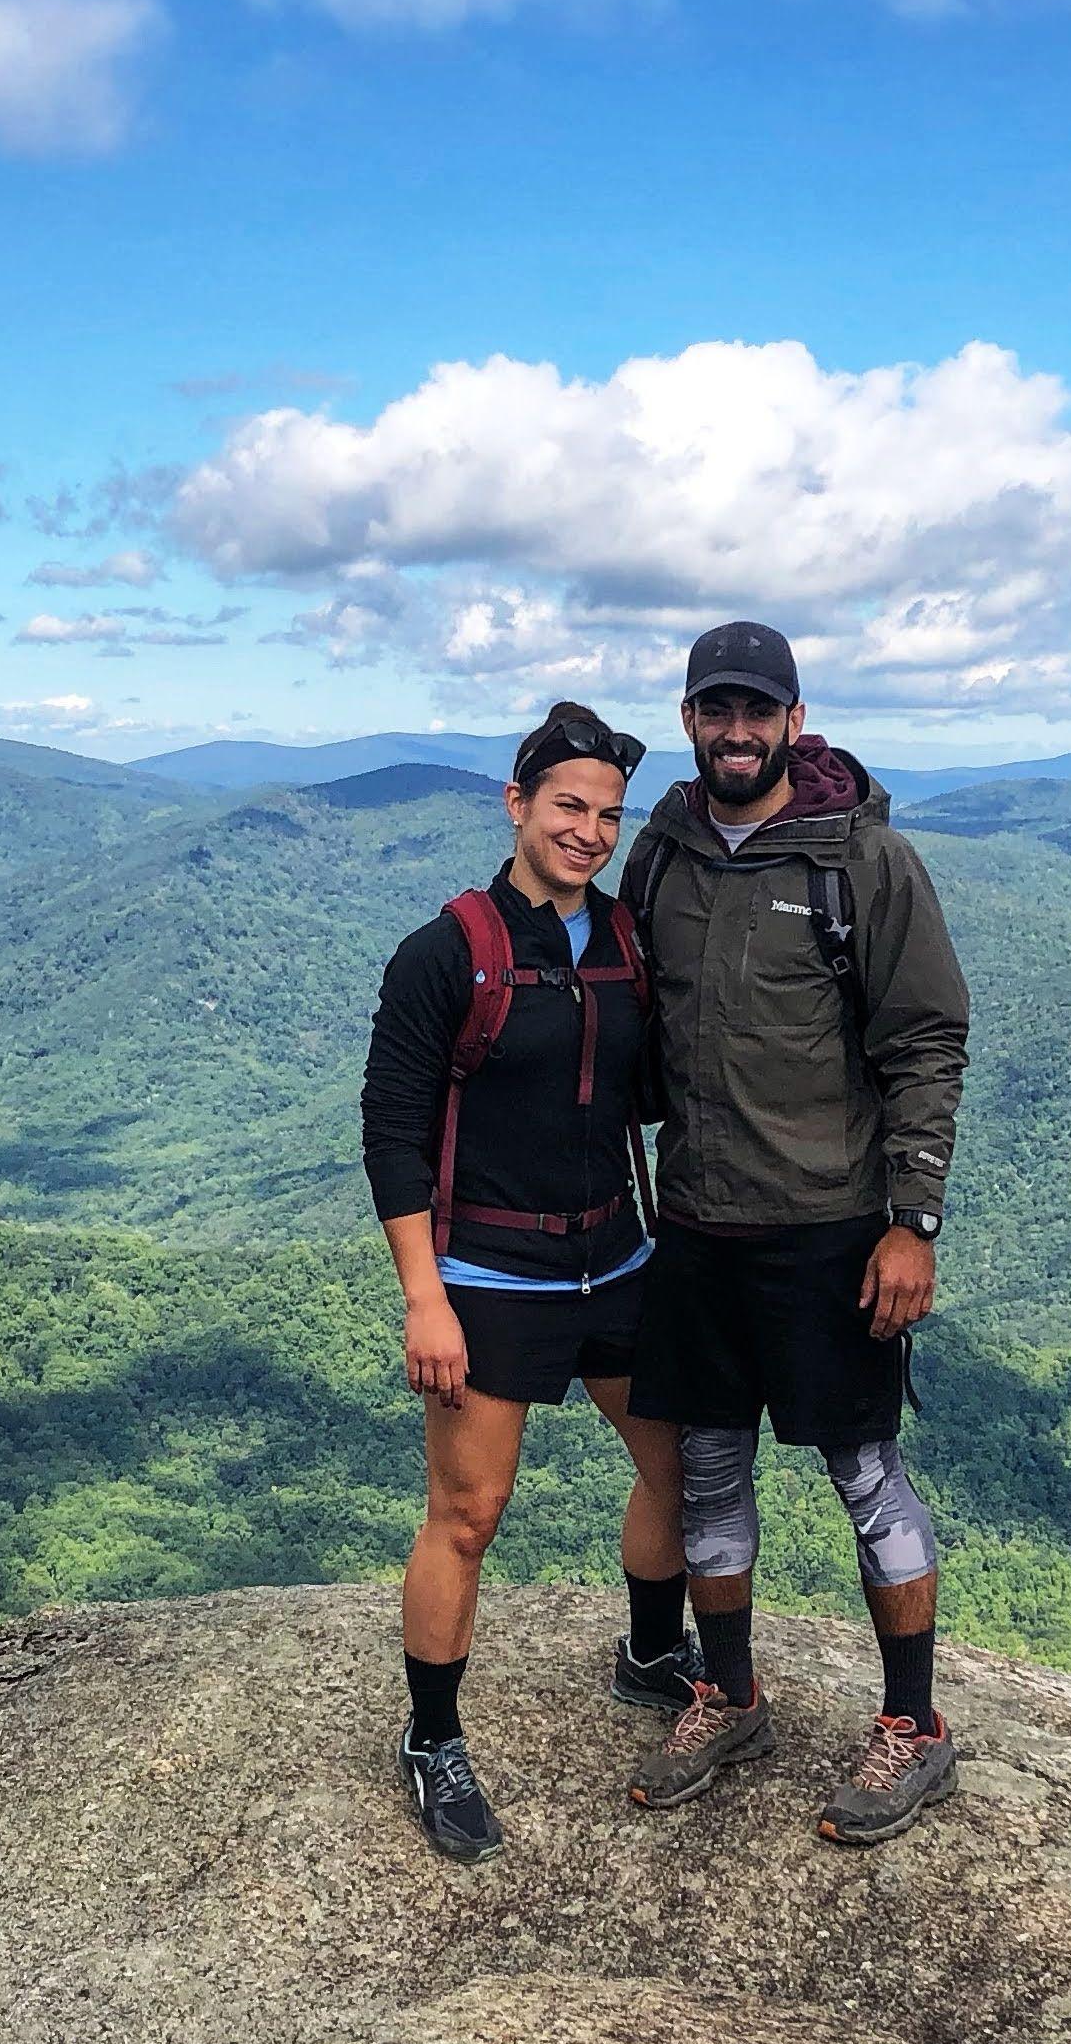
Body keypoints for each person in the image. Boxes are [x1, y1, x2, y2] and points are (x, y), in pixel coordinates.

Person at [616, 620, 974, 1843]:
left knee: (864, 1474)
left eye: (755, 712)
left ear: (794, 719)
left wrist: (911, 1222)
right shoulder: (658, 856)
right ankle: (729, 1692)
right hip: (698, 1227)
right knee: (710, 1471)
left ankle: (915, 1728)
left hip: (829, 1232)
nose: (735, 732)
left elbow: (926, 1039)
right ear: (688, 719)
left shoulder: (863, 864)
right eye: (715, 710)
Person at [358, 700, 693, 1863]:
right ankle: (432, 1738)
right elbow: (393, 1133)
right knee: (469, 1512)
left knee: (681, 1465)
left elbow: (656, 1091)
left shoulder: (627, 944)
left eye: (608, 814)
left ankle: (652, 1652)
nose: (591, 831)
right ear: (516, 804)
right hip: (489, 1271)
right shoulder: (445, 951)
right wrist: (424, 1296)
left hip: (618, 1257)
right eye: (568, 806)